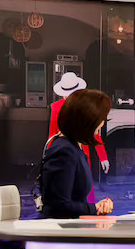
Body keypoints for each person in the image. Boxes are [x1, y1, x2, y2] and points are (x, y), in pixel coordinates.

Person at [40, 88, 114, 218]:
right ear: (87, 120)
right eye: (100, 119)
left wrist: (95, 207)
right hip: (62, 229)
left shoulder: (71, 146)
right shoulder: (65, 151)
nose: (102, 123)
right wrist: (95, 208)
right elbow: (58, 206)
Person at [48, 72, 110, 204]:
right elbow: (52, 135)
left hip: (82, 152)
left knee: (85, 186)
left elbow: (94, 133)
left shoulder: (84, 107)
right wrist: (49, 156)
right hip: (64, 152)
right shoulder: (56, 107)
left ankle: (86, 209)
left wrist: (103, 156)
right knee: (65, 185)